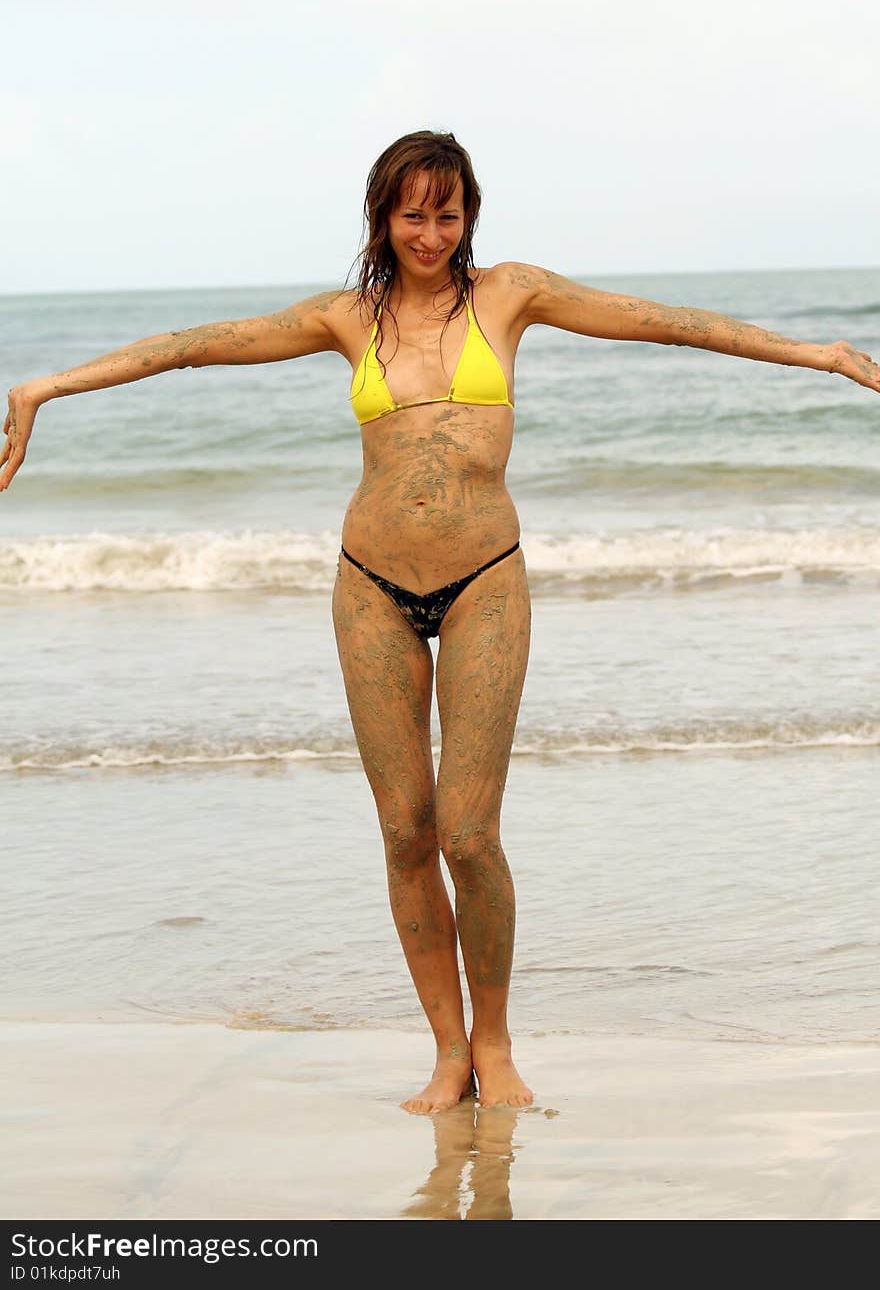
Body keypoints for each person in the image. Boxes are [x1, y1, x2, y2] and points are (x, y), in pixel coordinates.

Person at [2, 131, 877, 1114]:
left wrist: (821, 353)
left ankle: (497, 1045)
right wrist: (45, 386)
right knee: (403, 831)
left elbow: (661, 323)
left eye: (447, 212)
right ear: (382, 215)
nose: (430, 232)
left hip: (483, 582)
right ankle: (447, 1051)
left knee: (467, 830)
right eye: (411, 212)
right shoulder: (347, 318)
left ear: (470, 215)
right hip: (370, 584)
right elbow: (193, 347)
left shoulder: (510, 294)